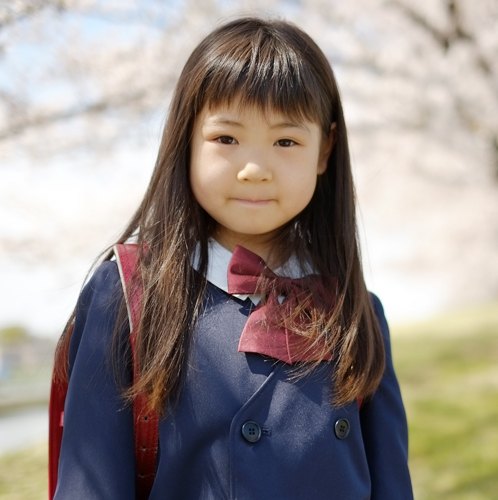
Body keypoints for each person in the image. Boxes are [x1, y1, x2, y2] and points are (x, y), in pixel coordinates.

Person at [52, 16, 413, 500]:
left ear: (324, 150)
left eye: (286, 141)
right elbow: (89, 487)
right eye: (226, 138)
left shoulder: (359, 311)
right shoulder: (128, 292)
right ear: (187, 138)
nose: (254, 169)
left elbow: (392, 485)